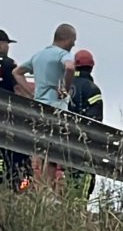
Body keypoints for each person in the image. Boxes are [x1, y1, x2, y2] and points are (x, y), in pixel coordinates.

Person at [13, 24, 77, 187]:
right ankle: (48, 190)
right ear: (67, 39)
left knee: (39, 152)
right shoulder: (62, 54)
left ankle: (39, 188)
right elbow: (70, 67)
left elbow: (17, 72)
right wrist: (65, 89)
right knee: (53, 154)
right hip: (56, 109)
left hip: (39, 109)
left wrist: (31, 93)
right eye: (73, 41)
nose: (73, 45)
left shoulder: (38, 55)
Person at [0, 29, 34, 191]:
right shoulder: (8, 65)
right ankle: (16, 186)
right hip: (8, 120)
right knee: (14, 158)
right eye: (7, 44)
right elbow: (19, 89)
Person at [66, 49, 102, 199]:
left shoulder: (67, 85)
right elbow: (96, 120)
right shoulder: (92, 89)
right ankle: (79, 212)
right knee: (85, 180)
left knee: (70, 179)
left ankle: (70, 209)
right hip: (86, 145)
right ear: (92, 67)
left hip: (67, 141)